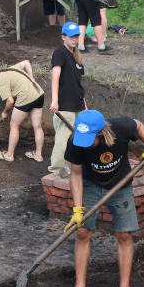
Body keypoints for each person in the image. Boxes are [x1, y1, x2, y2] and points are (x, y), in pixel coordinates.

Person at [59, 110, 144, 287]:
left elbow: (138, 124)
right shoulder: (75, 141)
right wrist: (78, 209)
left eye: (91, 139)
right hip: (91, 185)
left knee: (124, 234)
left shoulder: (120, 127)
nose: (85, 143)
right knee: (83, 232)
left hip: (120, 186)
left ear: (102, 132)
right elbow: (76, 174)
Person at [0, 60, 45, 162]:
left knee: (14, 125)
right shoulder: (11, 69)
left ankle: (9, 155)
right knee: (37, 126)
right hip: (38, 94)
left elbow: (10, 101)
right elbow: (26, 62)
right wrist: (31, 77)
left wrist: (5, 112)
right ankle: (38, 155)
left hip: (26, 97)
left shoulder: (0, 82)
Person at [48, 22, 87, 175]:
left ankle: (78, 165)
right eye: (71, 37)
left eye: (76, 36)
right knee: (63, 140)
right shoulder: (60, 53)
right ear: (63, 37)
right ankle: (56, 171)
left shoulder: (76, 55)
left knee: (80, 138)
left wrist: (84, 103)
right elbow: (55, 77)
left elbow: (78, 83)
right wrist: (55, 100)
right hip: (65, 106)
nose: (74, 39)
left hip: (78, 105)